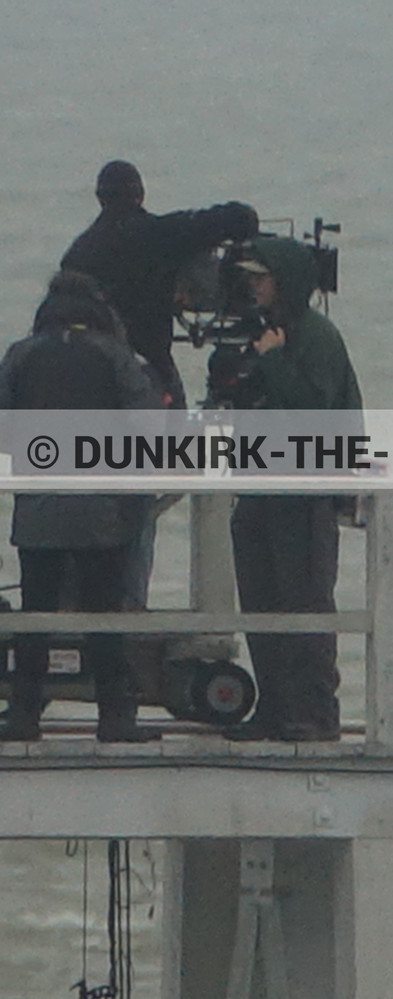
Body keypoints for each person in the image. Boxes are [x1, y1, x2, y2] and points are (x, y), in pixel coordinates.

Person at [61, 160, 259, 612]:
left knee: (93, 499)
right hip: (150, 377)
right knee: (156, 484)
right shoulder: (159, 234)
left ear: (100, 198)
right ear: (140, 194)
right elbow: (234, 218)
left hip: (93, 391)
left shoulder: (78, 254)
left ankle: (82, 602)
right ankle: (129, 602)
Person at [0, 272, 163, 742]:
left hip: (38, 511)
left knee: (37, 614)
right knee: (103, 614)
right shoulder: (113, 355)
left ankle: (25, 712)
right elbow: (149, 425)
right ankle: (115, 716)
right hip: (100, 512)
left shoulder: (22, 353)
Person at [224, 236, 362, 743]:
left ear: (284, 282)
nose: (252, 286)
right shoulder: (263, 334)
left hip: (304, 494)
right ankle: (274, 707)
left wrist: (274, 361)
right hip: (259, 488)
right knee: (260, 603)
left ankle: (315, 711)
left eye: (261, 277)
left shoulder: (316, 337)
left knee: (304, 602)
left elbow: (313, 411)